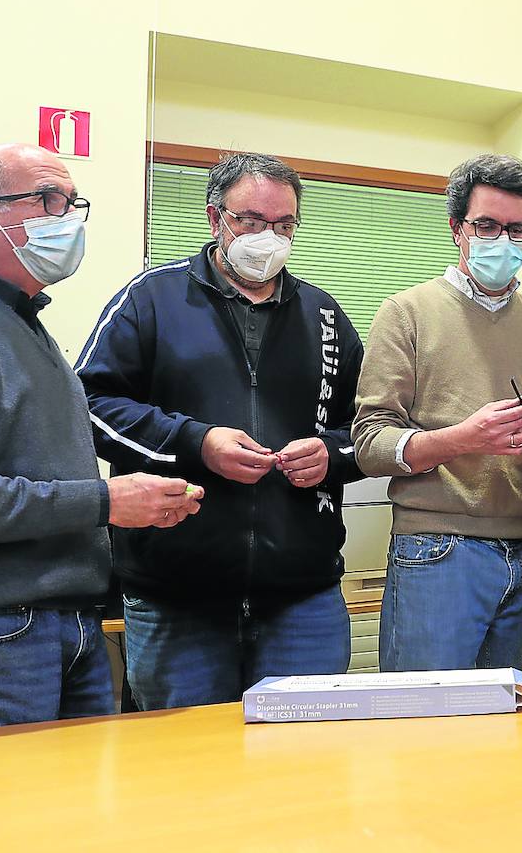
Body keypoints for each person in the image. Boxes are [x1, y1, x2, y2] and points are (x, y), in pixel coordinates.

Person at [0, 144, 200, 850]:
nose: (70, 219)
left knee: (56, 830)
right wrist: (103, 503)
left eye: (73, 202)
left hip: (66, 627)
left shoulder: (28, 326)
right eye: (49, 201)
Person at [76, 152, 364, 708]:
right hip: (178, 598)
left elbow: (368, 428)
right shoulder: (152, 299)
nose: (269, 237)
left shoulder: (324, 314)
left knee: (301, 777)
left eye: (284, 225)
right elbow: (90, 406)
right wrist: (195, 443)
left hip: (303, 599)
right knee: (185, 778)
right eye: (252, 221)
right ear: (215, 219)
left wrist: (334, 453)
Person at [352, 154, 522, 670]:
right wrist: (464, 438)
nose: (501, 240)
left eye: (516, 229)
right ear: (457, 228)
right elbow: (370, 445)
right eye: (486, 225)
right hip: (438, 549)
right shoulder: (405, 313)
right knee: (428, 725)